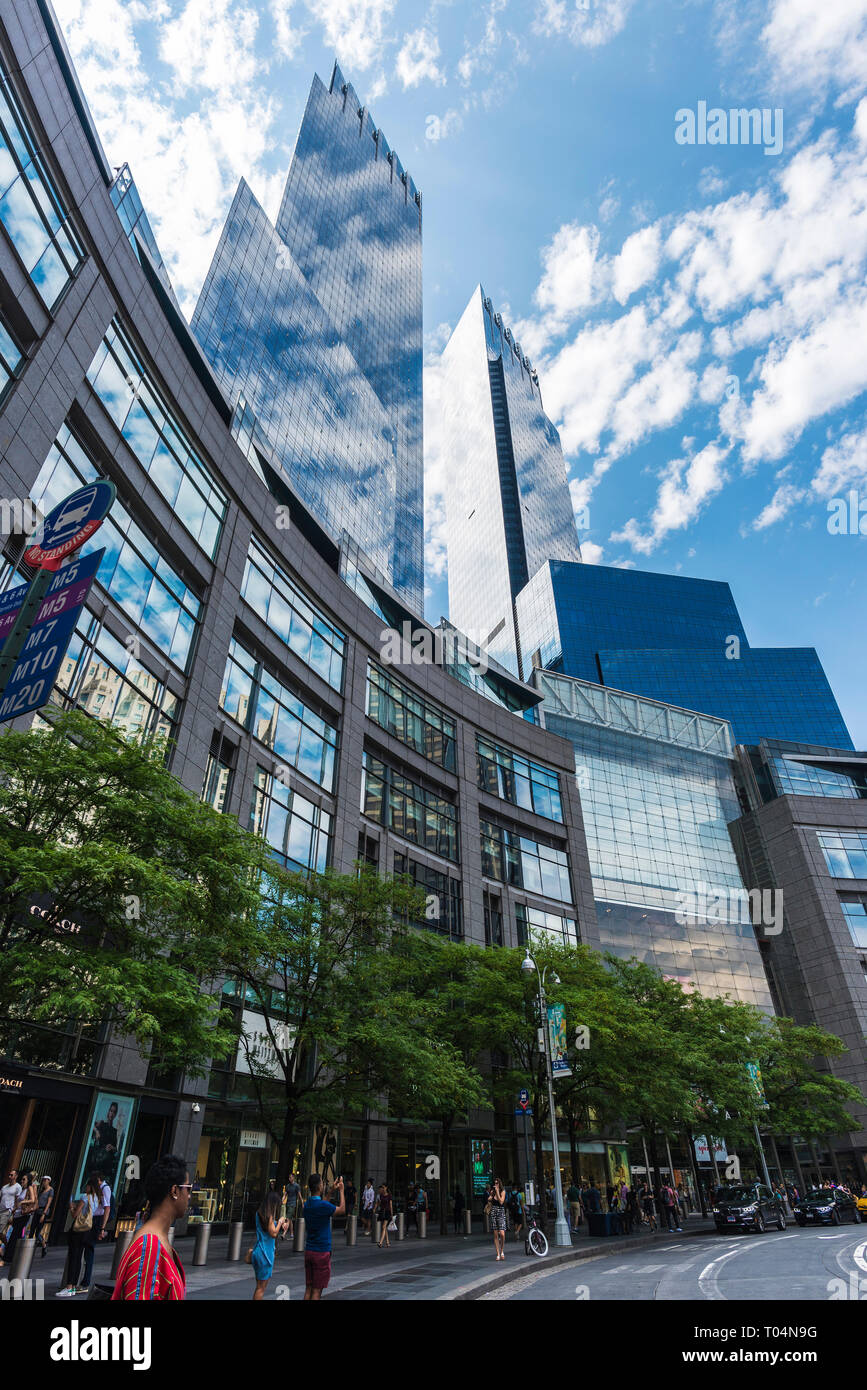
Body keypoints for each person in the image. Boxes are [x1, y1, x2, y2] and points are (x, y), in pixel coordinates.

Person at [111, 1155, 189, 1300]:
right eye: (188, 1188)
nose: (189, 1196)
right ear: (175, 1191)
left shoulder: (157, 1242)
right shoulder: (149, 1247)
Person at [303, 1174, 345, 1300]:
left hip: (309, 1250)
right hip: (321, 1252)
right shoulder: (322, 1206)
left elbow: (323, 1204)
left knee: (309, 1287)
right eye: (322, 1183)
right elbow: (342, 1210)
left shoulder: (307, 1205)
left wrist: (332, 1190)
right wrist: (341, 1191)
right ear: (320, 1186)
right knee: (317, 1290)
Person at [57, 1177, 100, 1297]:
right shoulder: (96, 1199)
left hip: (77, 1230)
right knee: (79, 1257)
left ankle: (69, 1286)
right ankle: (74, 1286)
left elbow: (75, 1214)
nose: (85, 1188)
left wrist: (71, 1207)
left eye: (87, 1186)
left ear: (90, 1186)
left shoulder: (84, 1198)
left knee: (73, 1257)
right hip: (87, 1231)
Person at [249, 1190, 289, 1300]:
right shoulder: (269, 1216)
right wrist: (280, 1222)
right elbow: (273, 1233)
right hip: (265, 1254)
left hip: (258, 1252)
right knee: (261, 1289)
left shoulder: (259, 1214)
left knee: (258, 1286)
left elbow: (269, 1227)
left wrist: (279, 1223)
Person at [1, 1170, 37, 1268]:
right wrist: (15, 1209)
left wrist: (22, 1203)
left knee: (14, 1235)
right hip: (17, 1215)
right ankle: (12, 1256)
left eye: (24, 1179)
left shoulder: (29, 1187)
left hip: (23, 1216)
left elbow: (33, 1200)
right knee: (15, 1235)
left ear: (28, 1180)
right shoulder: (22, 1189)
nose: (22, 1181)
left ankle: (7, 1258)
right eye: (22, 1179)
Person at [32, 1175, 54, 1256]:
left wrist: (44, 1214)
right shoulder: (42, 1190)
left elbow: (49, 1202)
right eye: (43, 1180)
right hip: (37, 1211)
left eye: (45, 1180)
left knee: (38, 1231)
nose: (43, 1182)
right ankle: (29, 1250)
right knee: (32, 1230)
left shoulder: (51, 1190)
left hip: (43, 1211)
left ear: (49, 1181)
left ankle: (44, 1245)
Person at [0, 1169, 22, 1244]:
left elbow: (18, 1201)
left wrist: (14, 1211)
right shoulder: (4, 1187)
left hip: (7, 1211)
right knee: (1, 1233)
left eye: (11, 1175)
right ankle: (6, 1245)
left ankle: (6, 1246)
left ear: (16, 1176)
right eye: (9, 1175)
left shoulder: (18, 1187)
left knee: (0, 1231)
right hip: (0, 1210)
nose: (9, 1176)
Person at [489, 1177, 507, 1261]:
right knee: (495, 1234)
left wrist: (497, 1192)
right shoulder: (492, 1192)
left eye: (497, 1183)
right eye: (495, 1183)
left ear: (500, 1184)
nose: (496, 1184)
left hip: (500, 1212)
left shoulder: (503, 1191)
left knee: (502, 1234)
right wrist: (490, 1197)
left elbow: (501, 1201)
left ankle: (502, 1250)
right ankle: (498, 1254)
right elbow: (489, 1199)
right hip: (493, 1212)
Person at [94, 1171, 113, 1243]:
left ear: (98, 1179)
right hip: (95, 1216)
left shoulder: (105, 1188)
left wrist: (102, 1227)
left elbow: (107, 1207)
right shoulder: (99, 1187)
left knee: (90, 1243)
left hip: (98, 1217)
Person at [284, 1172, 301, 1241]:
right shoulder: (288, 1186)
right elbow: (285, 1195)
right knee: (290, 1220)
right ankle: (292, 1234)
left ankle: (284, 1234)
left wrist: (302, 1203)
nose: (289, 1178)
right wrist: (282, 1200)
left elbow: (299, 1195)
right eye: (289, 1177)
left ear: (293, 1178)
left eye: (290, 1177)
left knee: (287, 1219)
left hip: (293, 1204)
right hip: (287, 1204)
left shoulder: (296, 1186)